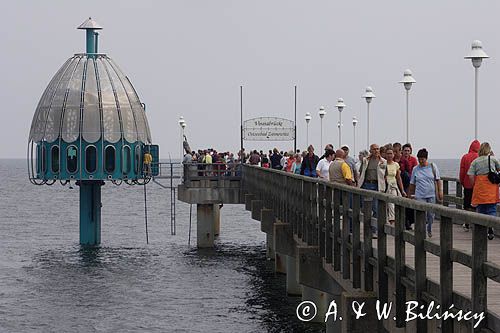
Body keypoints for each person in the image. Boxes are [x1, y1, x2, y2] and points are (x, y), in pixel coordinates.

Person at [468, 142, 500, 240]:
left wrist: (474, 184)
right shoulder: (493, 159)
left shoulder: (475, 161)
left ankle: (480, 229)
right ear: (488, 150)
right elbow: (499, 169)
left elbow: (470, 175)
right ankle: (490, 228)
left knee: (480, 209)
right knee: (491, 209)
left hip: (480, 188)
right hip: (491, 188)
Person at [408, 148, 443, 238]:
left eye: (422, 159)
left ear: (426, 158)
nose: (420, 161)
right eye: (419, 159)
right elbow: (412, 183)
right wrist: (409, 195)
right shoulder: (415, 169)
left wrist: (440, 191)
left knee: (431, 215)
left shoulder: (432, 166)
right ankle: (421, 231)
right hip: (420, 195)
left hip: (431, 194)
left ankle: (429, 228)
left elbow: (438, 180)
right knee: (420, 214)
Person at [358, 144, 387, 235]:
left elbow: (385, 175)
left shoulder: (383, 161)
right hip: (367, 184)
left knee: (376, 208)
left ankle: (374, 230)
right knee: (367, 208)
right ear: (370, 150)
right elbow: (361, 172)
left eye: (378, 149)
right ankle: (369, 228)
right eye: (374, 149)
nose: (376, 151)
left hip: (377, 185)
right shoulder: (365, 160)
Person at [459, 140, 480, 231]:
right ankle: (476, 224)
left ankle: (467, 223)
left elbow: (462, 172)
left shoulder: (465, 157)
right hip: (478, 186)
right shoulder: (480, 157)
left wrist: (462, 181)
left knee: (467, 205)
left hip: (467, 185)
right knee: (476, 205)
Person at [385, 148, 406, 224]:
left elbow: (398, 177)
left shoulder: (396, 164)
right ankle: (386, 220)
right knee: (385, 204)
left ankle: (392, 220)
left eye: (391, 153)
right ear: (385, 155)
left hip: (393, 185)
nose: (389, 155)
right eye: (388, 153)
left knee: (391, 203)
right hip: (385, 185)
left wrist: (402, 190)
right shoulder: (383, 164)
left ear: (393, 155)